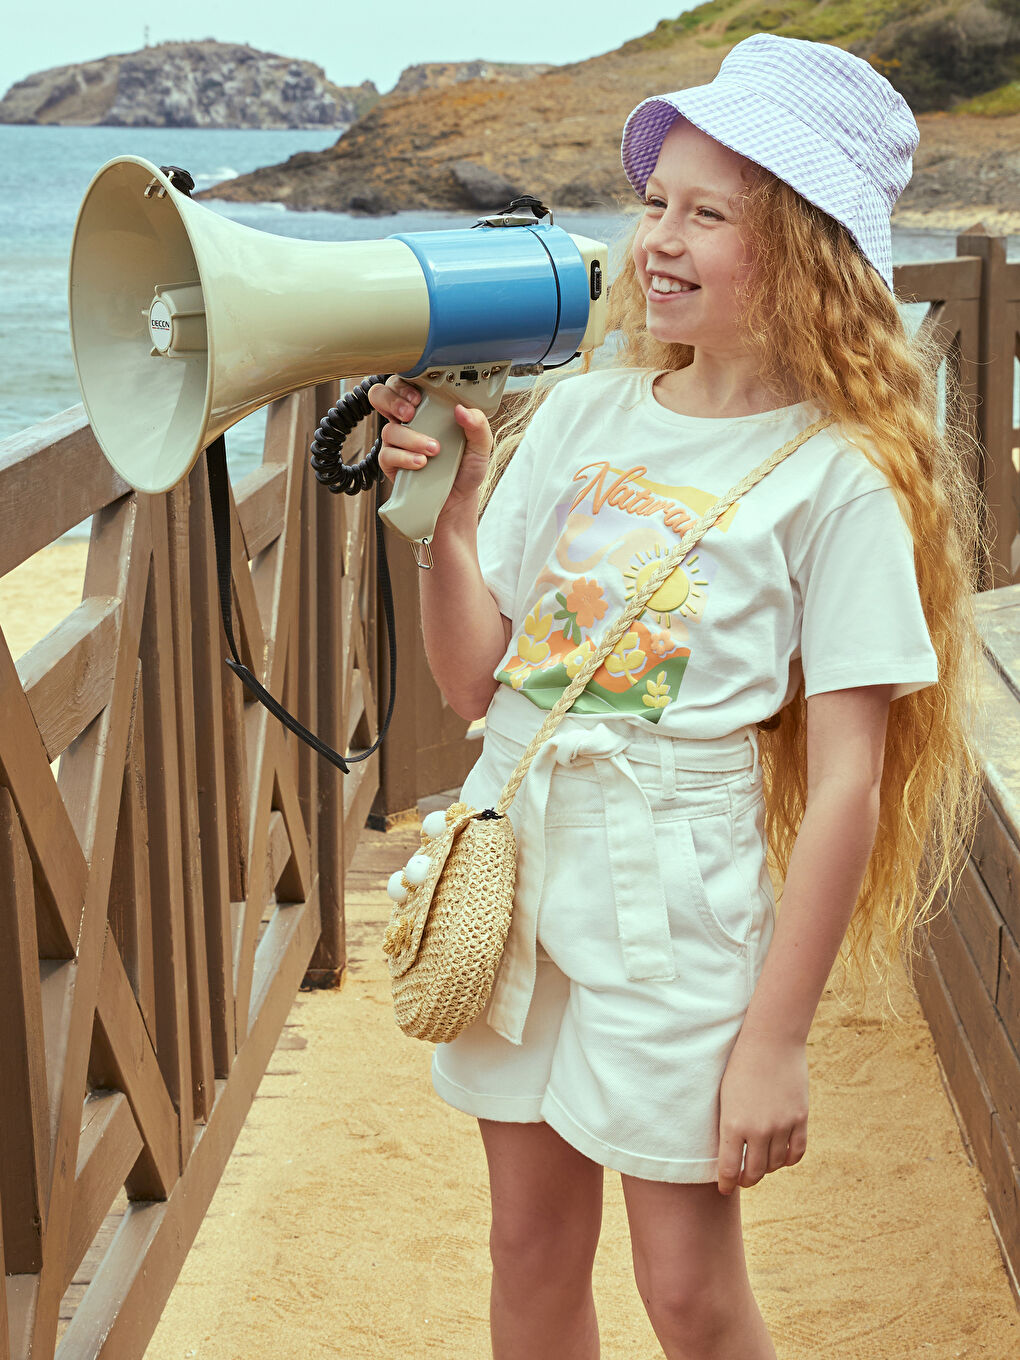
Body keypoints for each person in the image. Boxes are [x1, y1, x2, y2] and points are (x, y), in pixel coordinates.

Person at [368, 32, 982, 1360]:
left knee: (686, 1293)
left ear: (810, 250)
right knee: (529, 1252)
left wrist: (774, 1045)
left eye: (710, 213)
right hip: (520, 859)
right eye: (657, 203)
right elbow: (476, 678)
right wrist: (444, 527)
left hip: (675, 903)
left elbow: (848, 793)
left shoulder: (839, 479)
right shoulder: (589, 415)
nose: (661, 238)